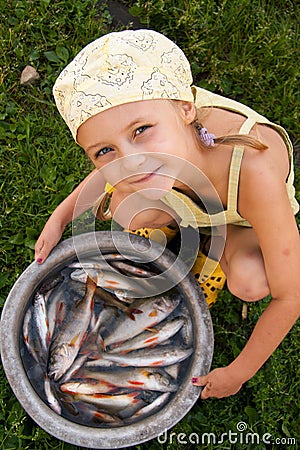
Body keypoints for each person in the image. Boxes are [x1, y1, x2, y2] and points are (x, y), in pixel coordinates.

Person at [34, 29, 300, 399]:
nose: (130, 161)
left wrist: (239, 373)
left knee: (250, 283)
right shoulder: (151, 155)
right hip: (187, 186)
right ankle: (192, 228)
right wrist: (61, 216)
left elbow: (292, 296)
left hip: (239, 215)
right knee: (122, 211)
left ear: (185, 109)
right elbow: (115, 166)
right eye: (104, 150)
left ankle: (213, 244)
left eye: (141, 130)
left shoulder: (255, 173)